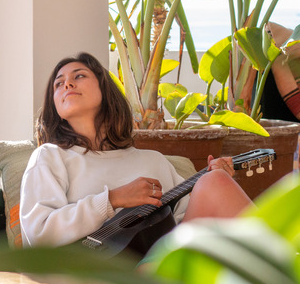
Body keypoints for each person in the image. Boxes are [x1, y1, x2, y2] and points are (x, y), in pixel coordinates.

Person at [19, 52, 253, 251]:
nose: (67, 84)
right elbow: (40, 234)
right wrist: (113, 199)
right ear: (56, 108)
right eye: (58, 84)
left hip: (161, 265)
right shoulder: (50, 157)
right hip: (100, 275)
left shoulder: (153, 161)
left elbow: (188, 223)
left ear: (105, 89)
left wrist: (214, 183)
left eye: (78, 76)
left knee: (215, 182)